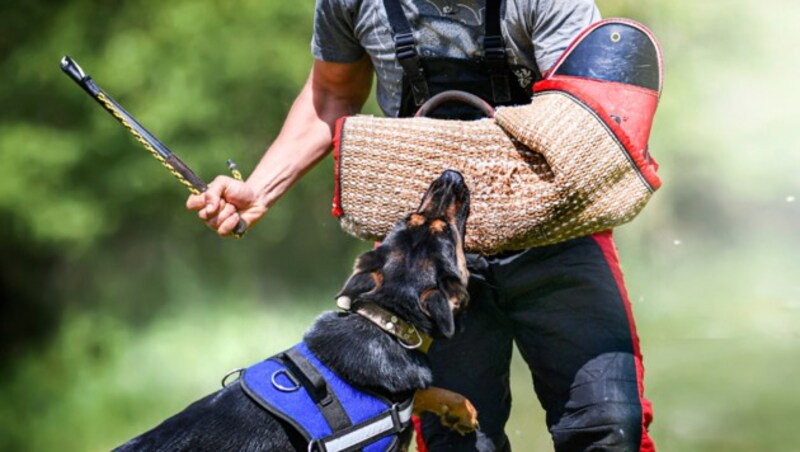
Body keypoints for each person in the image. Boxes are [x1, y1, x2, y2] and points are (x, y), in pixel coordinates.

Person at [186, 0, 655, 450]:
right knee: (457, 442)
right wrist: (261, 189)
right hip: (424, 258)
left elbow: (583, 122)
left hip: (554, 236)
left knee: (610, 428)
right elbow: (333, 93)